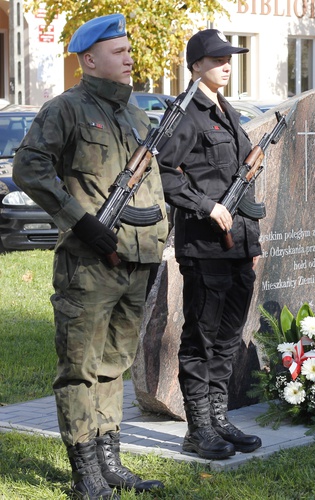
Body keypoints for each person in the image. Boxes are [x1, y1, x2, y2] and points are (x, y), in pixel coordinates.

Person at [12, 14, 167, 499]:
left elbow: (153, 183)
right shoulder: (67, 109)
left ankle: (109, 461)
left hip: (136, 261)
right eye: (118, 52)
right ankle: (85, 474)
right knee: (80, 368)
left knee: (114, 364)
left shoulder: (137, 113)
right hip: (89, 265)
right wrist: (80, 222)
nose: (129, 58)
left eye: (128, 50)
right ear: (89, 59)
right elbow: (28, 167)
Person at [156, 29, 263, 460]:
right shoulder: (187, 113)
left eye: (229, 57)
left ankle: (218, 418)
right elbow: (163, 172)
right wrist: (205, 205)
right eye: (217, 57)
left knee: (228, 337)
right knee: (201, 337)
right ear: (196, 64)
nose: (226, 63)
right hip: (204, 246)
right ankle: (197, 429)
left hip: (238, 245)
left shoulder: (227, 110)